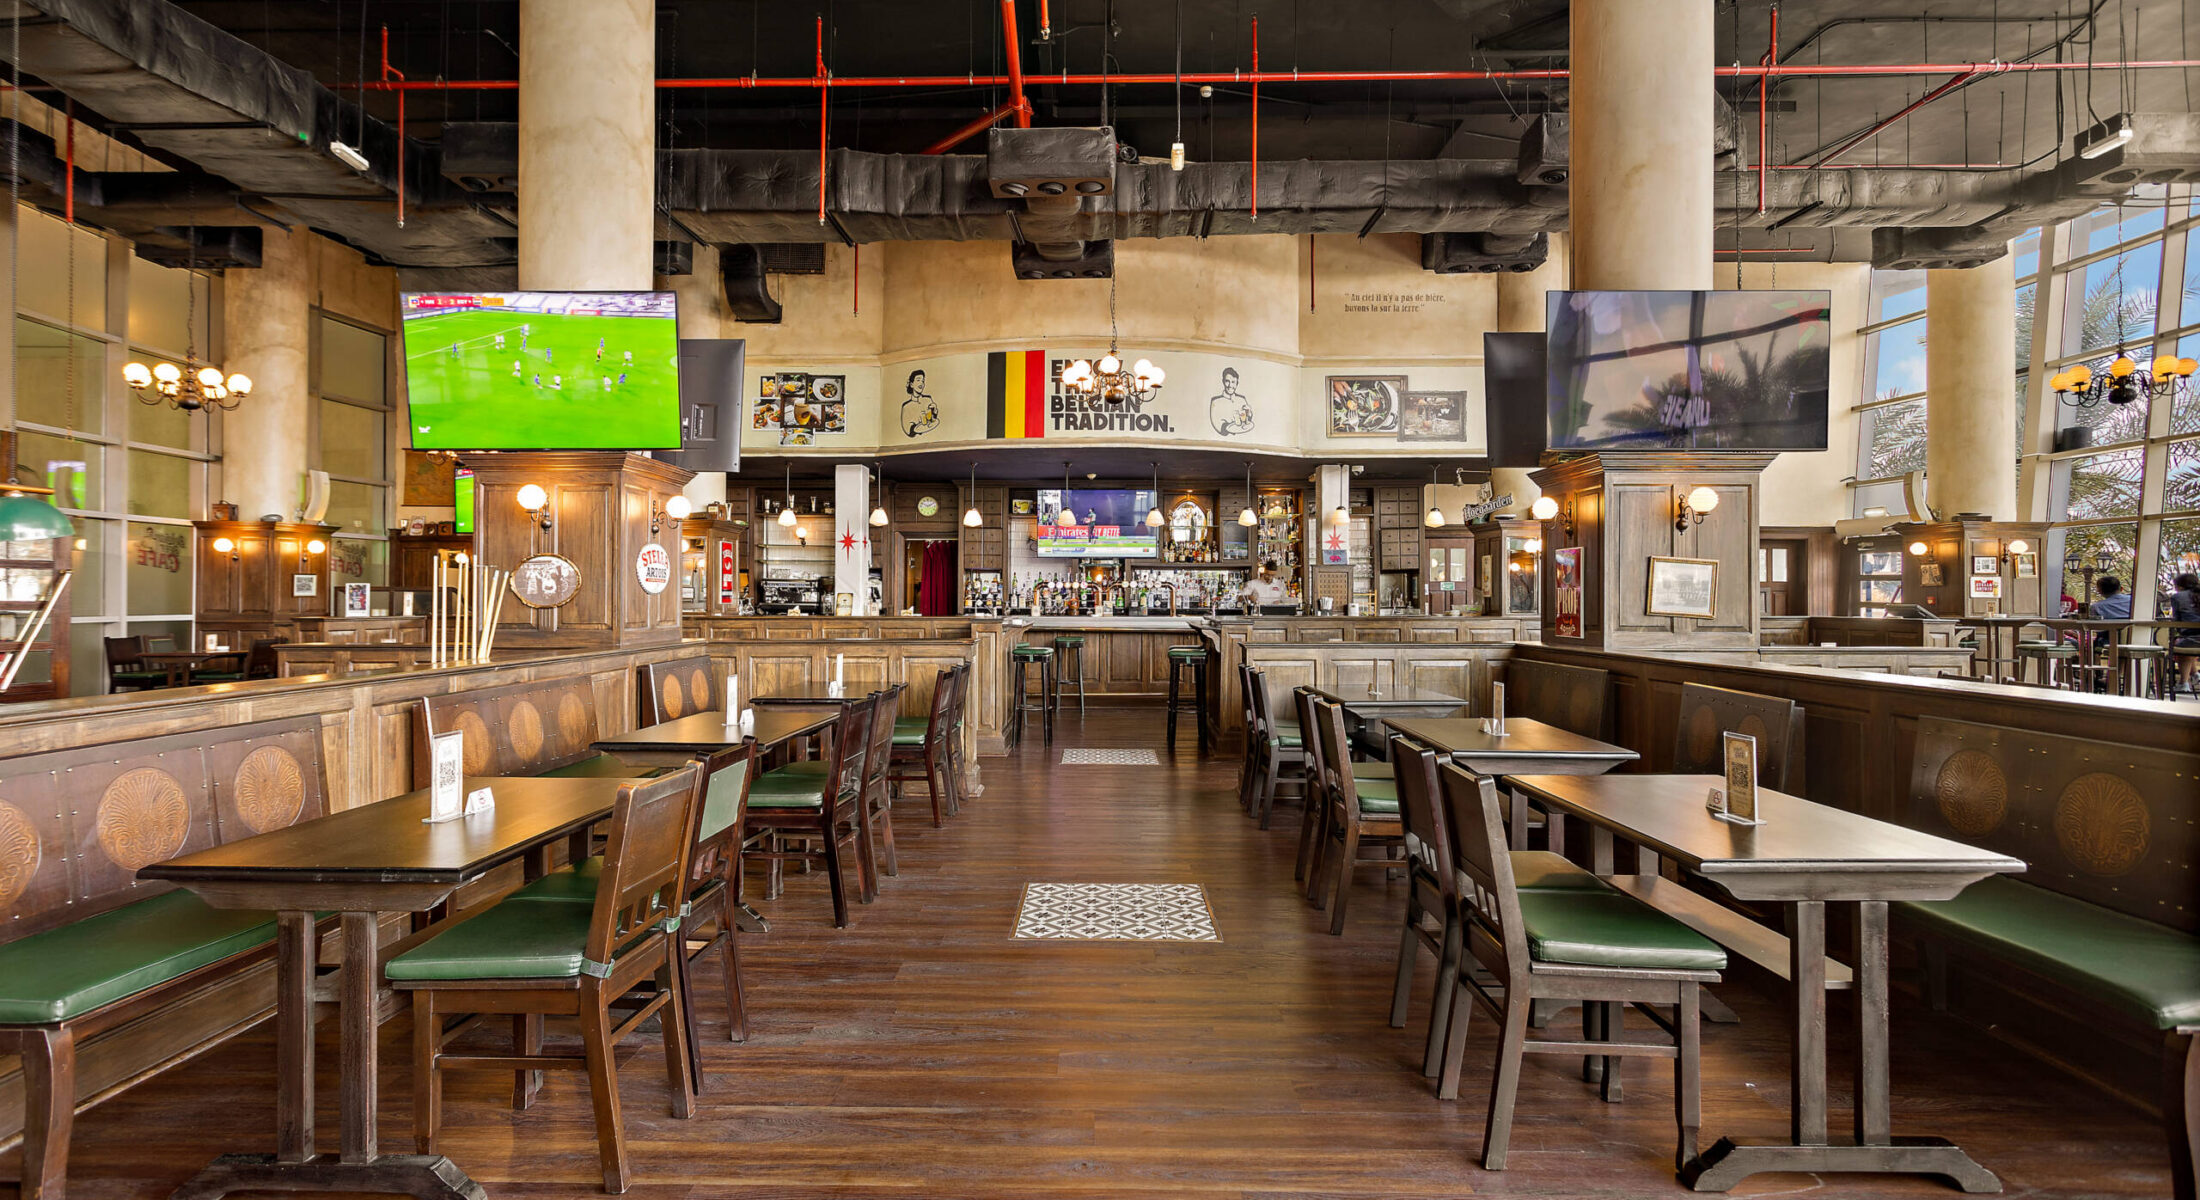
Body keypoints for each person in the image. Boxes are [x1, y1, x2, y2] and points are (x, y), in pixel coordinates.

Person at [2171, 572, 2200, 694]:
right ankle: (2195, 675)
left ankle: (2184, 683)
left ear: (2180, 586)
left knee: (2179, 645)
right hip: (2194, 639)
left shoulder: (2178, 597)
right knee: (2186, 645)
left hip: (2192, 638)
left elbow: (2177, 622)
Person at [1209, 367, 1254, 436]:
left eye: (1233, 382)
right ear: (1223, 382)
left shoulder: (1242, 399)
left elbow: (1247, 422)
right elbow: (1217, 425)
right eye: (1227, 381)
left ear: (1237, 384)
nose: (1230, 385)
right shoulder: (1215, 401)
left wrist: (1249, 414)